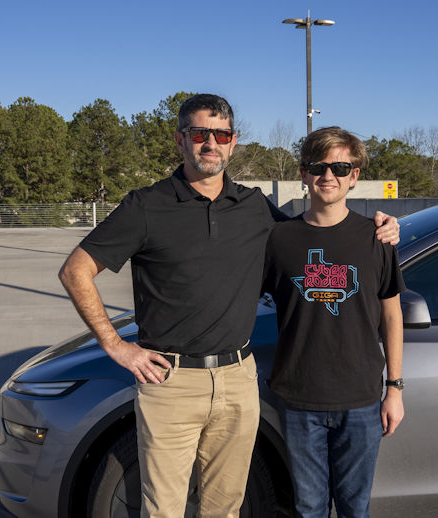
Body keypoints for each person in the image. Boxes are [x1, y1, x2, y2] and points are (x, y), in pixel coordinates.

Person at [58, 94, 399, 518]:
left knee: (225, 510)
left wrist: (381, 227)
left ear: (233, 142)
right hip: (172, 383)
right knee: (163, 511)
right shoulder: (146, 206)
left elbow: (317, 234)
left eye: (221, 135)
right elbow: (75, 271)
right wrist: (115, 345)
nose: (210, 143)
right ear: (180, 139)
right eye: (199, 133)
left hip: (238, 379)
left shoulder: (254, 206)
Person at [262, 126, 405, 518]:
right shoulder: (279, 239)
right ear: (304, 173)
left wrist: (394, 388)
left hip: (360, 399)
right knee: (308, 508)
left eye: (340, 168)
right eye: (318, 166)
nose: (329, 176)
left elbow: (392, 315)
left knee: (354, 508)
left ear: (354, 176)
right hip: (298, 398)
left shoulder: (377, 238)